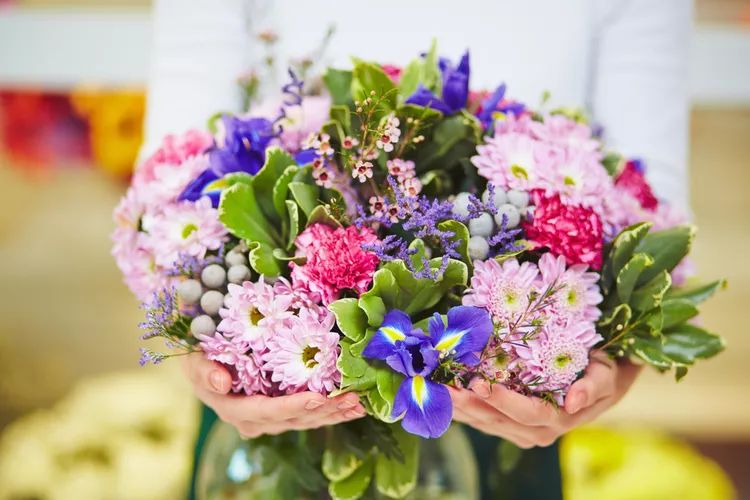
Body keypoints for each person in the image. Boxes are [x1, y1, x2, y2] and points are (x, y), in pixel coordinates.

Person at [143, 1, 692, 498]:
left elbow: (648, 201)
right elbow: (169, 178)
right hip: (266, 404)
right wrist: (201, 352)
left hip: (507, 412)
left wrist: (608, 373)